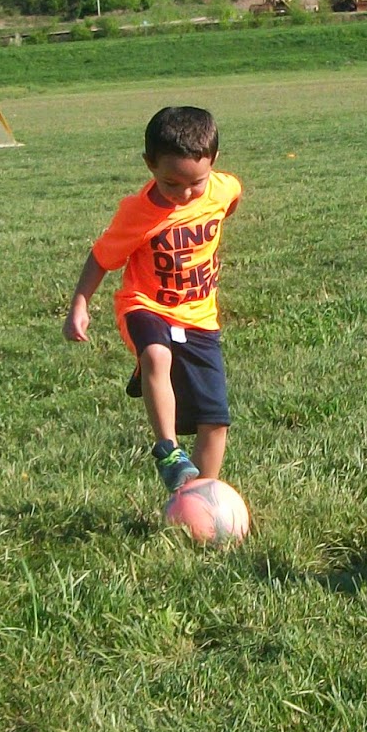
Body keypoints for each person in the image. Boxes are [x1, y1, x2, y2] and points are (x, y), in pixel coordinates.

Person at [64, 106, 242, 491]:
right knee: (157, 354)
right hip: (146, 305)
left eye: (195, 182)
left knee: (215, 423)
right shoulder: (138, 214)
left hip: (200, 318)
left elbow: (229, 200)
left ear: (213, 162)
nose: (184, 194)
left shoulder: (222, 189)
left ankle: (197, 501)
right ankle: (169, 450)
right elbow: (101, 257)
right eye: (170, 184)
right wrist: (80, 303)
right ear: (149, 165)